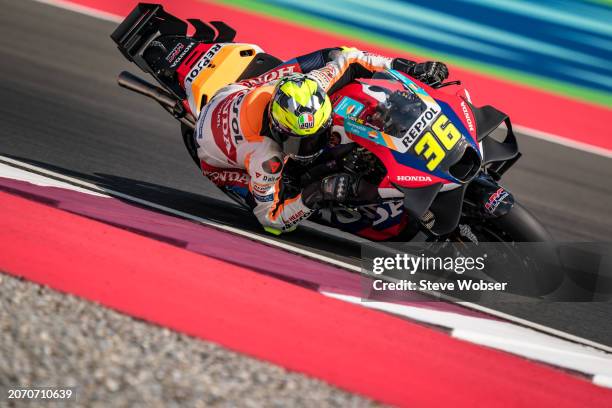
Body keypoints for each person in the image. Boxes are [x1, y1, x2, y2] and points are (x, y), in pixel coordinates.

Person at [194, 47, 448, 235]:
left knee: (334, 54)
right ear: (277, 129)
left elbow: (351, 58)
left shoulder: (314, 84)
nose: (310, 147)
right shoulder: (265, 159)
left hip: (240, 91)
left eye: (317, 136)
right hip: (218, 161)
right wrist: (319, 191)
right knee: (290, 192)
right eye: (299, 142)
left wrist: (408, 67)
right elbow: (272, 221)